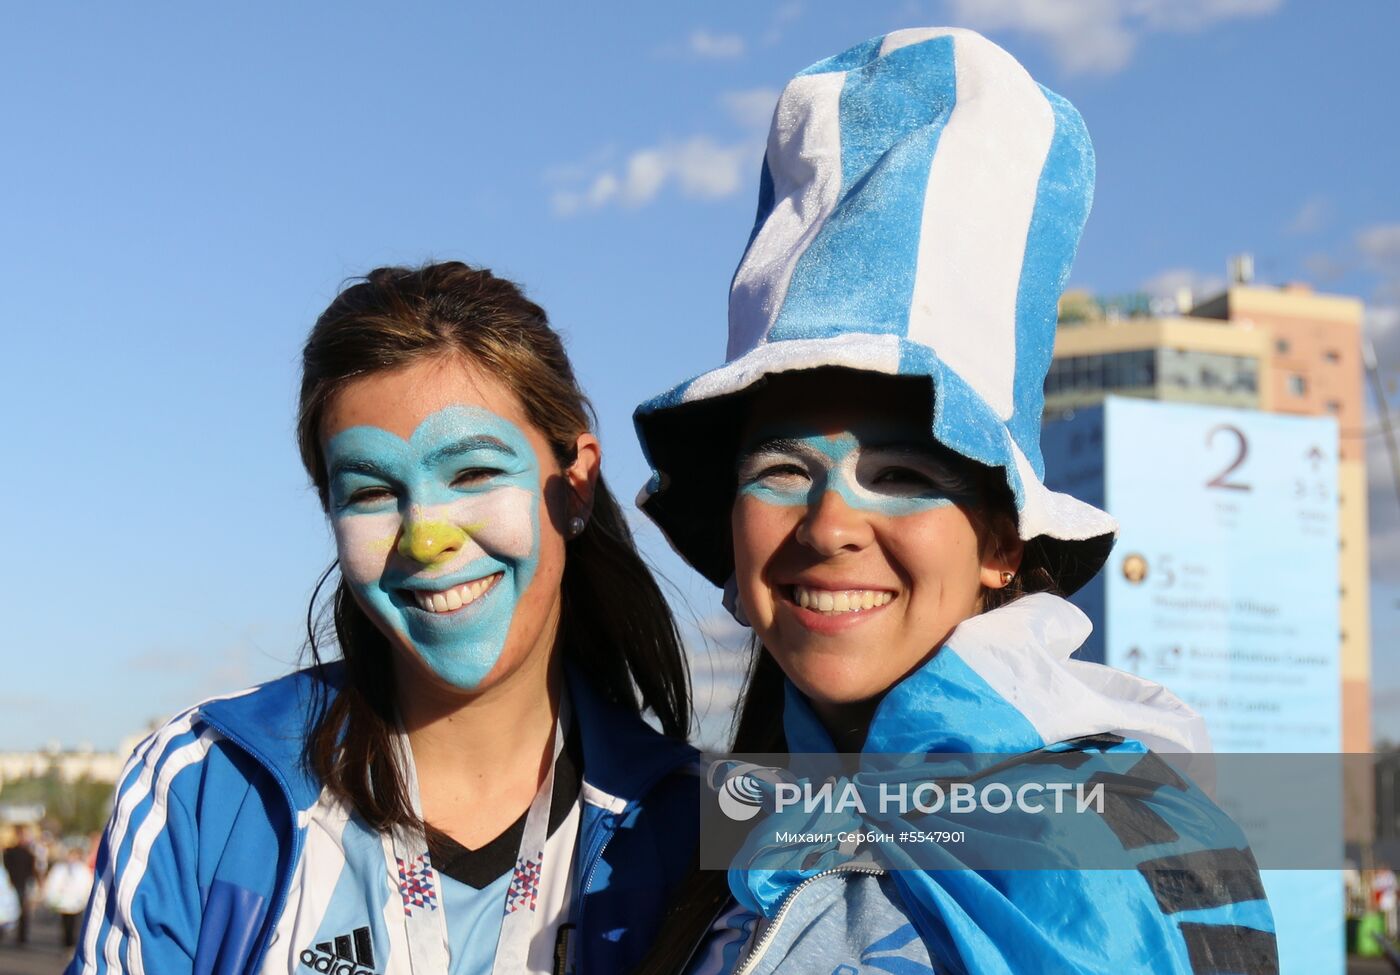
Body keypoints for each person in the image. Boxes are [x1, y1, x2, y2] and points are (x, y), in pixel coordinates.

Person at [632, 28, 1277, 975]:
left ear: (1002, 545)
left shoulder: (1108, 851)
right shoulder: (747, 832)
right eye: (780, 469)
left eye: (904, 477)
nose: (831, 526)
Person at [68, 262, 697, 974]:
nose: (426, 538)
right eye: (371, 491)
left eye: (474, 473)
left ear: (576, 482)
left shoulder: (711, 820)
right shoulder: (203, 782)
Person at [45, 845, 94, 949]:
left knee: (74, 922)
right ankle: (66, 941)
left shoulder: (82, 869)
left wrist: (84, 897)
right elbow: (53, 882)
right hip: (64, 900)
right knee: (65, 922)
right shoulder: (60, 868)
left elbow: (86, 884)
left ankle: (71, 942)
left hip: (76, 901)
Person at [2, 824, 38, 946]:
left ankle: (22, 937)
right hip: (10, 884)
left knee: (23, 911)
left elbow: (32, 871)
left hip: (22, 884)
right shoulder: (9, 852)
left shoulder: (28, 853)